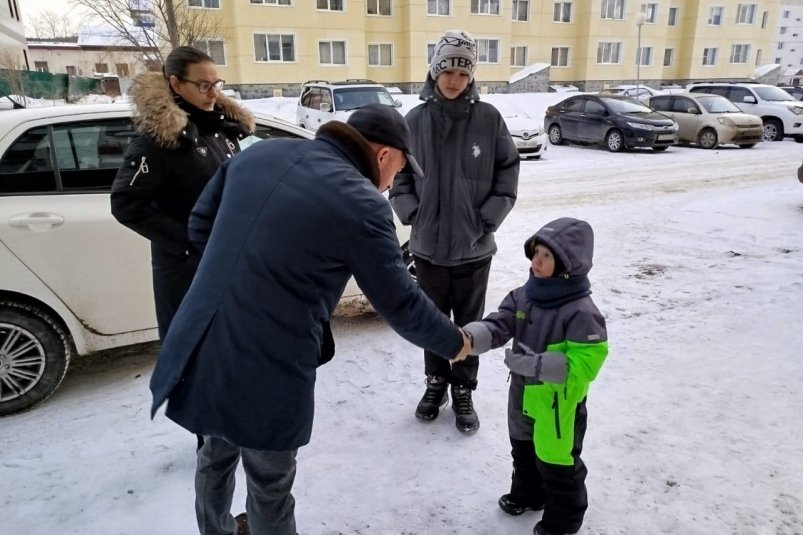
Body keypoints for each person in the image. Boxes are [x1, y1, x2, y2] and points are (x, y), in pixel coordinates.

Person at [148, 104, 472, 535]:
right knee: (269, 482)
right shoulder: (361, 203)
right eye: (400, 168)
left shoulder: (260, 154)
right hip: (268, 360)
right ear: (381, 155)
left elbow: (200, 224)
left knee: (213, 455)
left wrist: (243, 274)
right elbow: (402, 304)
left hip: (203, 335)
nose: (395, 183)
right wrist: (455, 342)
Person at [389, 30, 520, 433]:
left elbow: (508, 171)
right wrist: (413, 213)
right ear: (435, 70)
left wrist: (487, 220)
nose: (453, 80)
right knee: (432, 322)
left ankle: (463, 390)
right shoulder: (414, 120)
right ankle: (435, 384)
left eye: (462, 73)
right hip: (427, 248)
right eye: (447, 70)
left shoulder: (488, 118)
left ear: (470, 77)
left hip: (474, 248)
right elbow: (398, 175)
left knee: (469, 323)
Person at [462, 217, 609, 535]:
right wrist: (471, 338)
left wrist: (533, 366)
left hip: (558, 407)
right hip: (522, 396)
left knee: (558, 463)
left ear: (568, 264)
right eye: (535, 253)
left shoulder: (581, 311)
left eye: (546, 256)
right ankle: (528, 494)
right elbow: (500, 323)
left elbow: (586, 362)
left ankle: (564, 521)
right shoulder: (523, 296)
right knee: (523, 450)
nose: (536, 262)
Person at [110, 46, 254, 342]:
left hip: (226, 261)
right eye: (203, 85)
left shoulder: (220, 128)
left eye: (216, 84)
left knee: (228, 346)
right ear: (176, 84)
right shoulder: (159, 139)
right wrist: (190, 244)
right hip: (187, 271)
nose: (212, 93)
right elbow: (126, 203)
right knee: (192, 351)